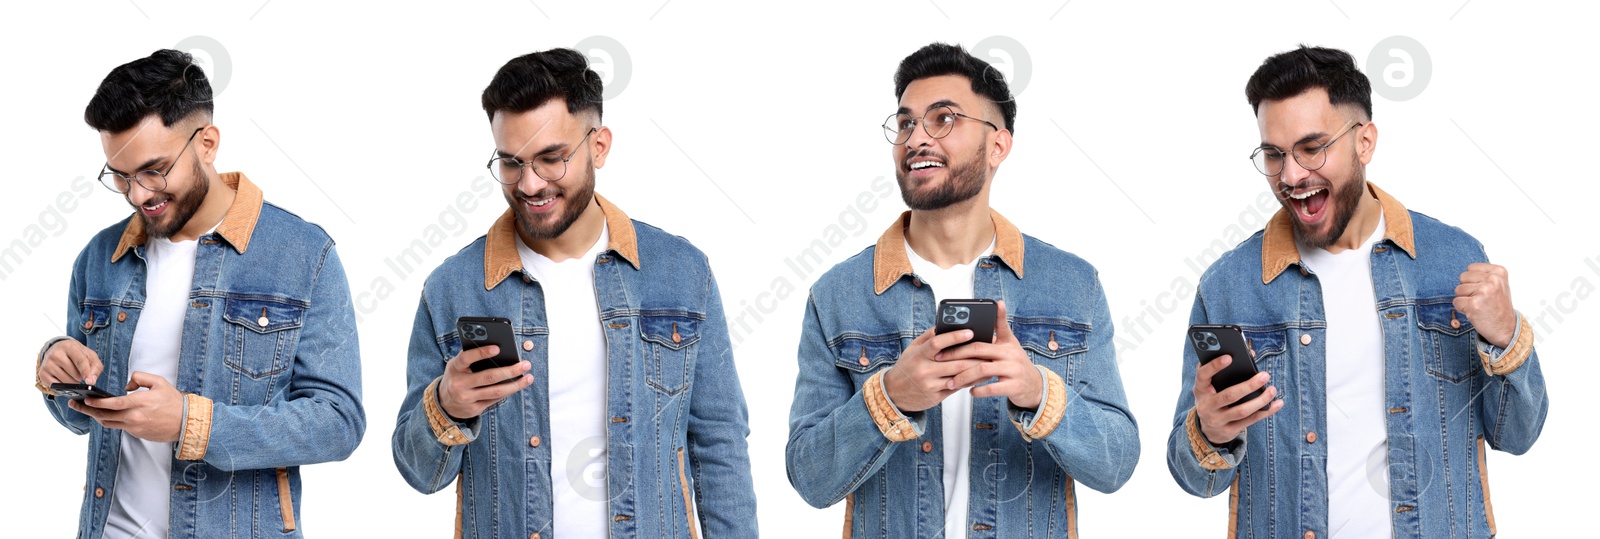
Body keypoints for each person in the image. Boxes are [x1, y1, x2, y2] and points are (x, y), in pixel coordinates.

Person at [1165, 45, 1548, 539]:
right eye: (1275, 154)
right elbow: (1194, 479)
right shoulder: (1229, 287)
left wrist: (1508, 337)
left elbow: (1516, 434)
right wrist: (1209, 433)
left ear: (1364, 142)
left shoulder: (1454, 260)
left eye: (1312, 147)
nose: (1292, 176)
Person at [390, 48, 757, 538]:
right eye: (511, 163)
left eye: (551, 159)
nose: (530, 184)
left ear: (599, 146)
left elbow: (720, 445)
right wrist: (446, 405)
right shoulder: (453, 287)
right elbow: (420, 473)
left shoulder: (681, 272)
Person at [786, 43, 1139, 537]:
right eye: (906, 123)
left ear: (998, 146)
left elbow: (1116, 462)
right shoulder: (838, 294)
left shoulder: (1072, 286)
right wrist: (889, 396)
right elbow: (809, 478)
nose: (916, 139)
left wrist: (1038, 392)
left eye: (944, 119)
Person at [34, 49, 365, 538]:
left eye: (154, 170)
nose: (138, 195)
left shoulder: (303, 254)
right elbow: (80, 420)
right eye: (121, 176)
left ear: (207, 142)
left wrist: (191, 423)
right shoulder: (99, 258)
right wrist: (57, 367)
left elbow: (338, 423)